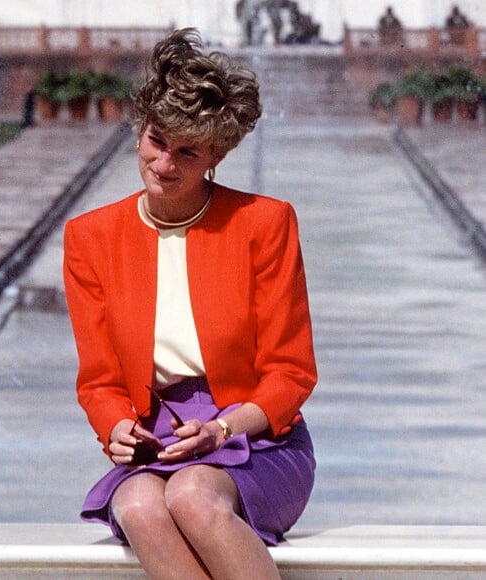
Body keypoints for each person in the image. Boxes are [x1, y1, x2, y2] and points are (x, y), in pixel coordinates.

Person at [64, 28, 317, 579]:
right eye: (157, 140)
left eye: (188, 151)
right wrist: (115, 428)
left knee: (194, 497)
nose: (164, 163)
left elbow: (291, 374)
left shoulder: (265, 224)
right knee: (137, 506)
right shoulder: (90, 237)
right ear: (138, 132)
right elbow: (99, 380)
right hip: (159, 441)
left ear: (217, 155)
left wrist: (222, 430)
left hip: (257, 440)